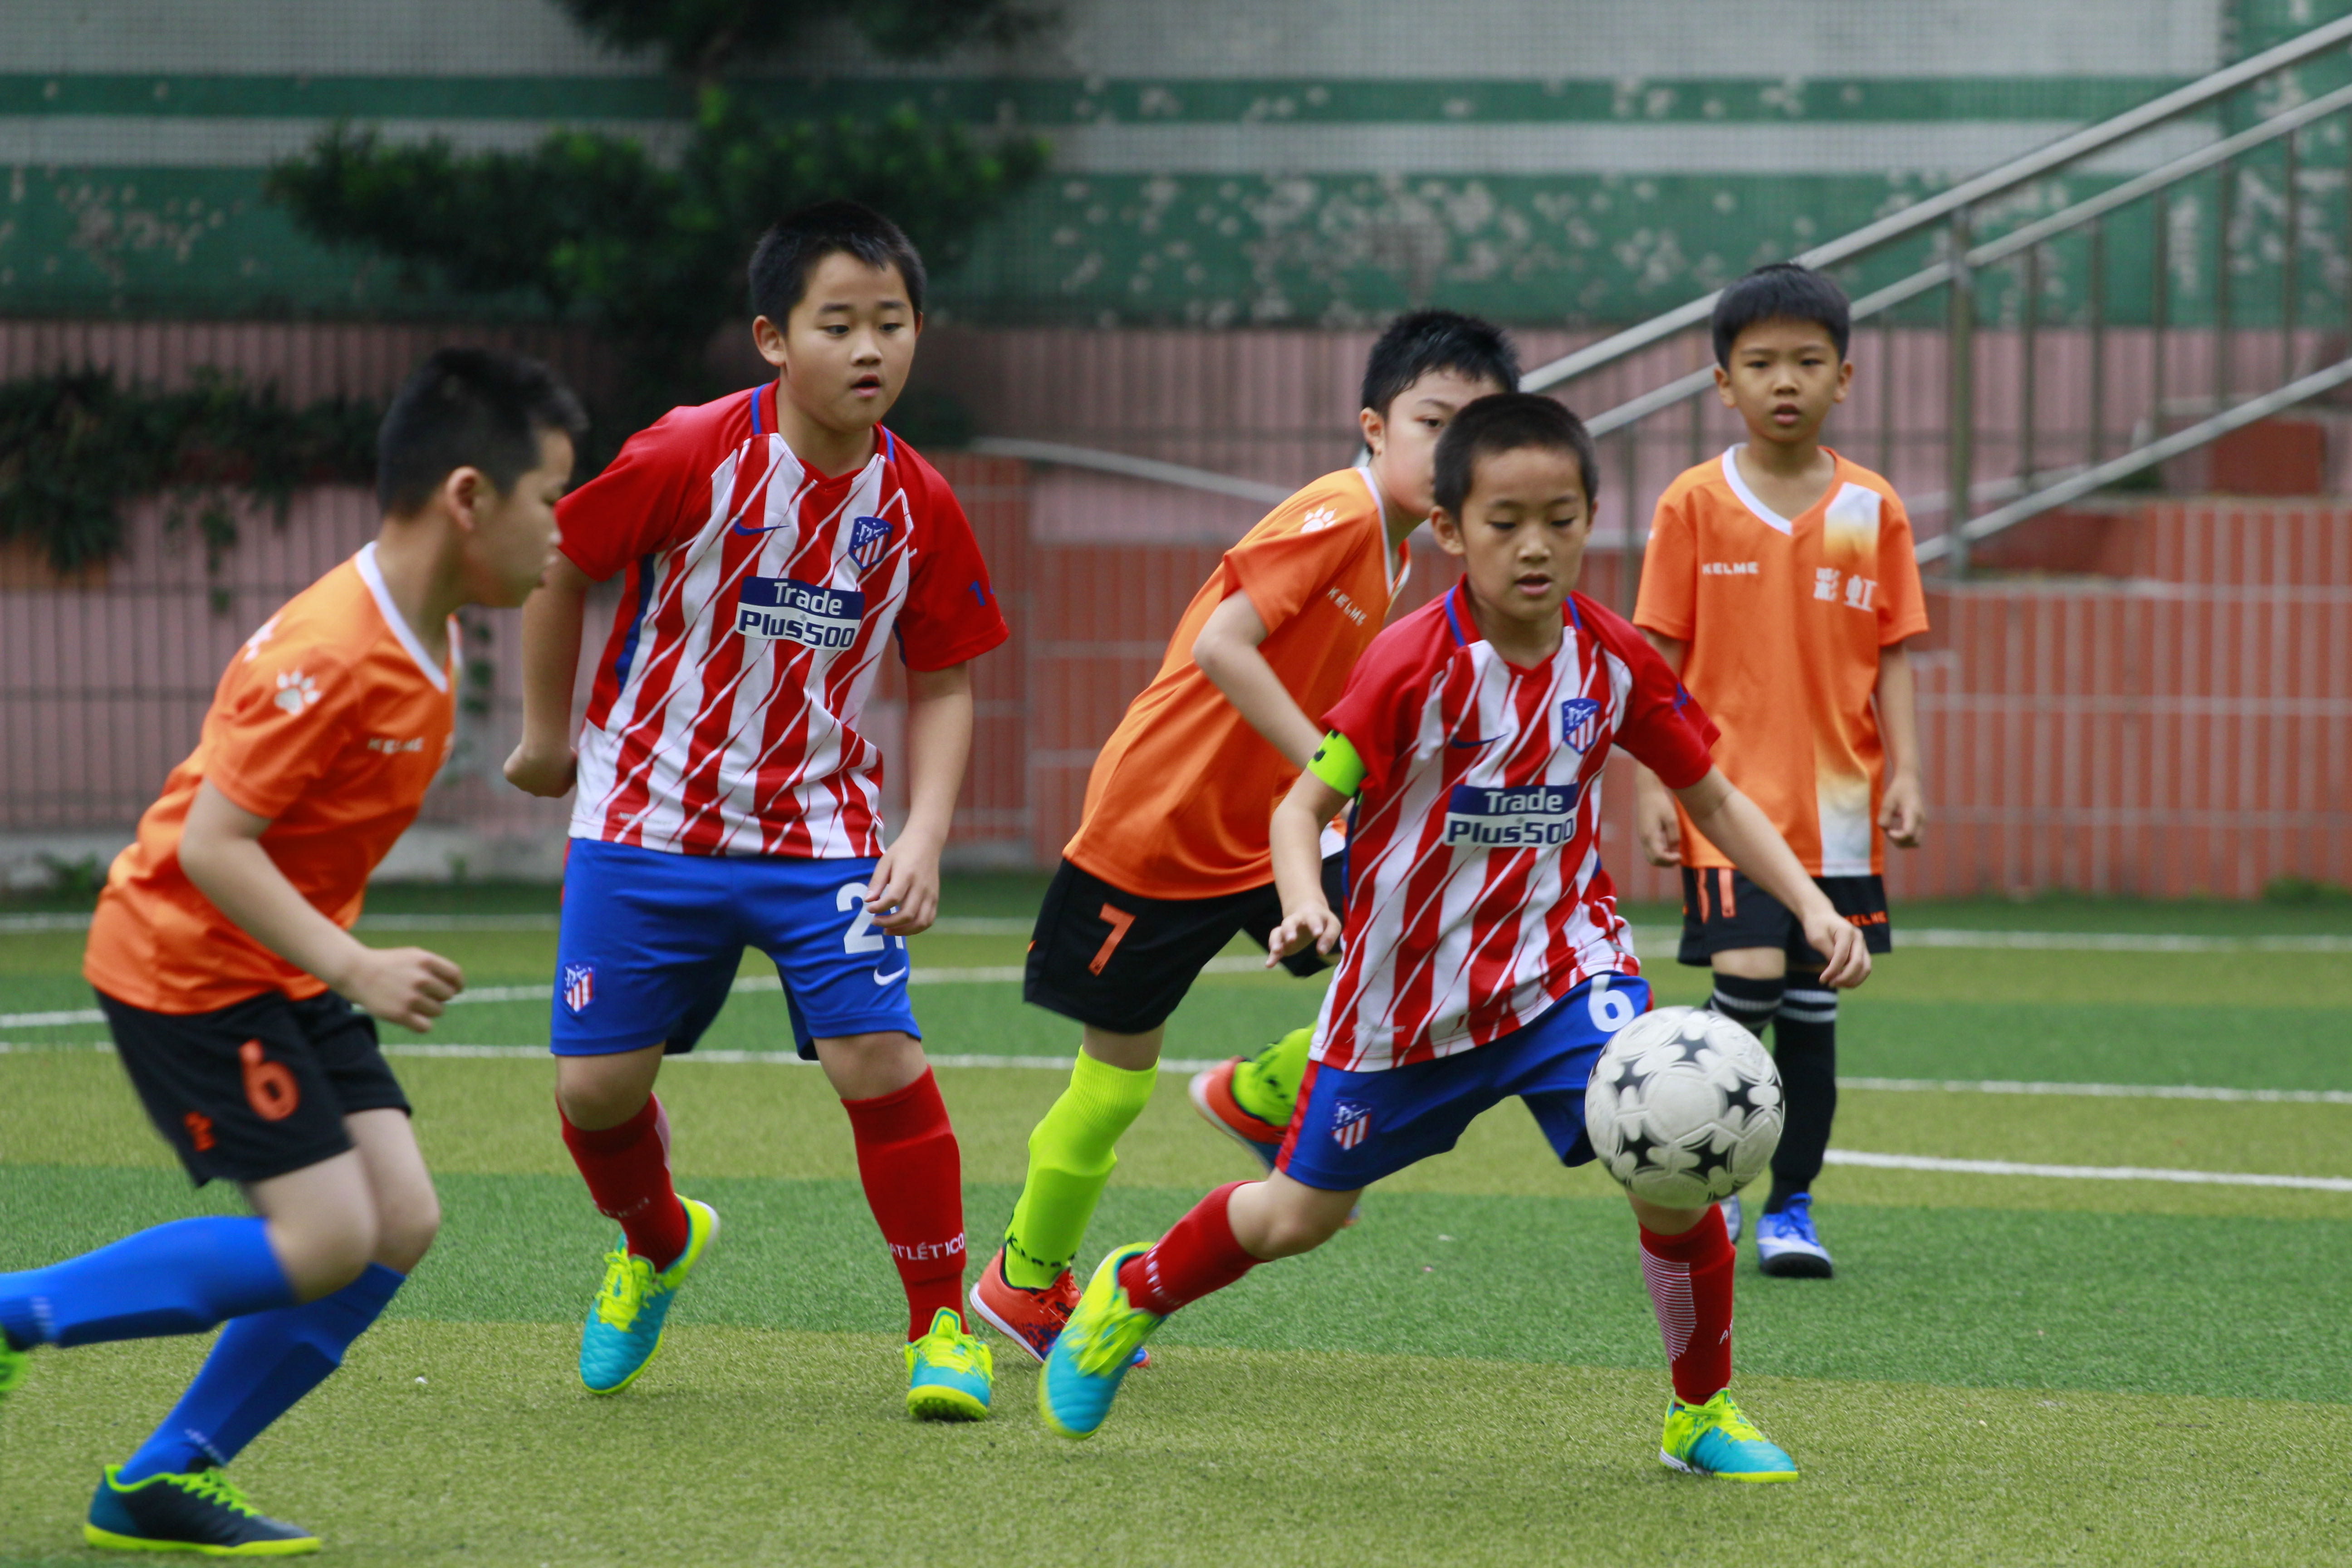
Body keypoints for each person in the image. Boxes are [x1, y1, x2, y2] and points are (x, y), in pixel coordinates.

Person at [1033, 394, 1870, 1481]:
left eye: (1560, 520)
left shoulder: (1614, 659)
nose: (1535, 547)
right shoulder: (1409, 663)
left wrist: (1810, 904)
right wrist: (1304, 900)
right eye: (1505, 522)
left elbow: (1711, 795)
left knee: (1671, 1164)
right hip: (1402, 1002)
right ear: (1450, 530)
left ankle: (1700, 1411)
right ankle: (1132, 1291)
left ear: (1591, 519)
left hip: (1563, 973)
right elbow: (1302, 808)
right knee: (1297, 1218)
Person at [0, 348, 583, 1553]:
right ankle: (16, 1311)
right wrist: (358, 966)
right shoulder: (330, 651)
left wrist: (331, 961)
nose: (563, 533)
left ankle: (165, 1474)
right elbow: (213, 844)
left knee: (398, 1221)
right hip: (188, 969)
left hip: (279, 965)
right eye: (550, 499)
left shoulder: (432, 633)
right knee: (324, 1240)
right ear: (468, 497)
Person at [503, 201, 1007, 1420]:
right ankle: (658, 1241)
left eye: (892, 322)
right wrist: (546, 737)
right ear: (774, 339)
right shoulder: (688, 453)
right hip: (644, 820)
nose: (870, 348)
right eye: (838, 324)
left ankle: (941, 1330)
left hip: (821, 836)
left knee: (879, 1060)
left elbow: (945, 681)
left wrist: (924, 835)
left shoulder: (920, 502)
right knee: (594, 1095)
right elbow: (561, 559)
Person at [968, 312, 1520, 1363]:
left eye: (1477, 433)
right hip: (1161, 828)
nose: (1455, 451)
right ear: (1374, 426)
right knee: (1114, 1083)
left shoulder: (1396, 553)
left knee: (1428, 946)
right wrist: (1329, 767)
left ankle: (1264, 1095)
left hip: (1267, 832)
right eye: (1434, 422)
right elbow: (1226, 645)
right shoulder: (1339, 511)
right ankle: (1024, 1282)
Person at [1631, 262, 1928, 1277]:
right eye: (1760, 364)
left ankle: (1790, 1207)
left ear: (1845, 377)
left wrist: (1907, 772)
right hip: (1726, 804)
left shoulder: (1873, 507)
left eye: (1808, 361)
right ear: (1724, 384)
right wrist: (1651, 783)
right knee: (1750, 979)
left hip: (1839, 810)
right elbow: (1656, 657)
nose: (1785, 381)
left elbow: (1893, 652)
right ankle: (1704, 1184)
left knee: (1813, 1011)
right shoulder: (1694, 503)